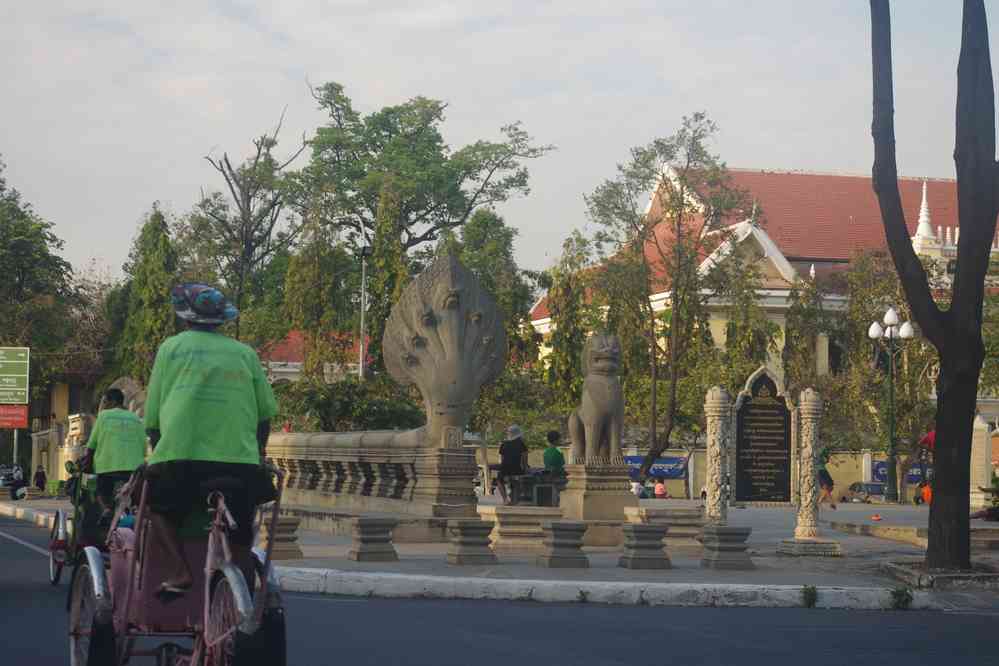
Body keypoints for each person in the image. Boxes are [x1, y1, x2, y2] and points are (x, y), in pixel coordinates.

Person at [143, 283, 278, 599]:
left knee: (156, 506)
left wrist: (160, 451)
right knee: (241, 532)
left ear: (185, 318)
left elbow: (152, 419)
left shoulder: (171, 348)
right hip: (240, 464)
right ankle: (241, 588)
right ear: (221, 319)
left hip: (181, 460)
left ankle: (178, 570)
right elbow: (264, 415)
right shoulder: (245, 353)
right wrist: (257, 454)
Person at [79, 388, 147, 518]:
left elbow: (91, 445)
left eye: (104, 402)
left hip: (107, 469)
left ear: (113, 401)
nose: (103, 406)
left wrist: (87, 463)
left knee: (101, 491)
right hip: (134, 470)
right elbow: (144, 447)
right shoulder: (135, 418)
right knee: (136, 499)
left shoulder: (104, 416)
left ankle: (107, 509)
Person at [496, 425, 528, 505]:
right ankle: (515, 499)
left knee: (499, 480)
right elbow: (524, 458)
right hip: (516, 469)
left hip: (505, 469)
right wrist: (525, 468)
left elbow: (502, 459)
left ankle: (505, 499)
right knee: (517, 482)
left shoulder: (503, 444)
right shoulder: (521, 444)